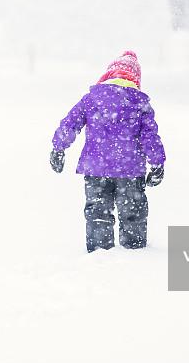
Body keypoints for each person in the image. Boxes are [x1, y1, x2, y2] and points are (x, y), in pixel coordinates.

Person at [50, 50, 166, 252]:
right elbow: (150, 136)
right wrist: (157, 163)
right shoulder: (140, 102)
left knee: (97, 213)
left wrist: (58, 148)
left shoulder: (91, 99)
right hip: (129, 170)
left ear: (108, 75)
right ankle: (136, 253)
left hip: (96, 169)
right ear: (136, 78)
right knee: (133, 214)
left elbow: (70, 124)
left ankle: (99, 254)